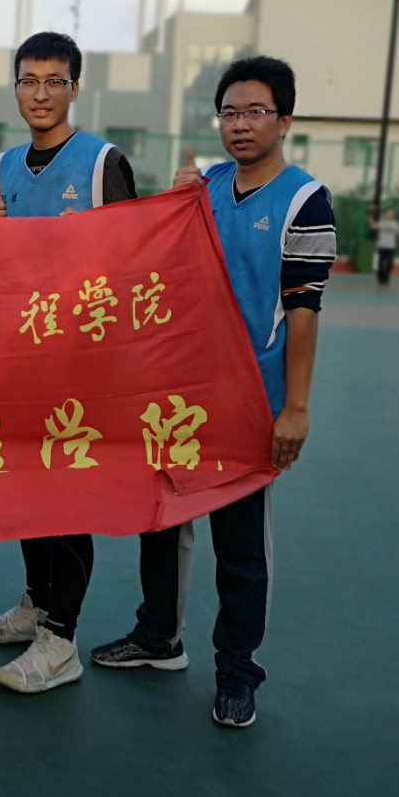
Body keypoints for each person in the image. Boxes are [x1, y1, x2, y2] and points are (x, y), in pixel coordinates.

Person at [90, 55, 334, 730]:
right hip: (180, 396)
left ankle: (237, 671)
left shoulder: (304, 200)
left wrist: (295, 408)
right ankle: (158, 637)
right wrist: (174, 206)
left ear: (284, 120)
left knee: (240, 545)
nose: (240, 124)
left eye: (256, 111)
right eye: (229, 112)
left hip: (252, 402)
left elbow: (304, 310)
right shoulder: (202, 188)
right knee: (162, 520)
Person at [0, 30, 139, 694]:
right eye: (29, 81)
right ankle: (37, 607)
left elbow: (131, 261)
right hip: (21, 359)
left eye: (54, 82)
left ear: (75, 88)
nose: (40, 94)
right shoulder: (6, 165)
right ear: (15, 87)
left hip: (80, 366)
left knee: (66, 497)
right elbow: (0, 265)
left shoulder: (103, 163)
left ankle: (61, 642)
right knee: (29, 493)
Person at [372, 207, 399, 285]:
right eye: (388, 212)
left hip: (391, 246)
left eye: (391, 212)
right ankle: (381, 278)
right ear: (386, 214)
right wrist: (370, 216)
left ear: (393, 214)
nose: (389, 214)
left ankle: (386, 276)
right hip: (382, 245)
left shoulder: (396, 224)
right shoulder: (382, 223)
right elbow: (373, 227)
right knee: (381, 263)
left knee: (390, 263)